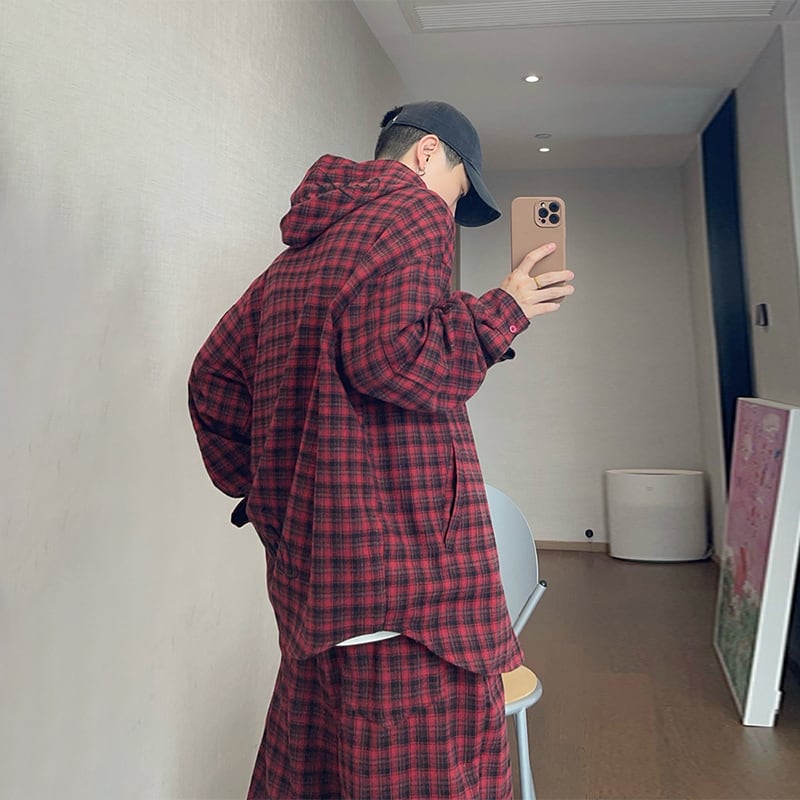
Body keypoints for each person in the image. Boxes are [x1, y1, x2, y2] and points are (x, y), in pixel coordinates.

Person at [188, 100, 574, 800]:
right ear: (427, 154)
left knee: (319, 774)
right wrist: (505, 308)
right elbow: (395, 360)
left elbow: (212, 378)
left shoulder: (300, 255)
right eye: (459, 188)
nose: (452, 210)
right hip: (411, 601)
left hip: (321, 594)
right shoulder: (410, 209)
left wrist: (273, 495)